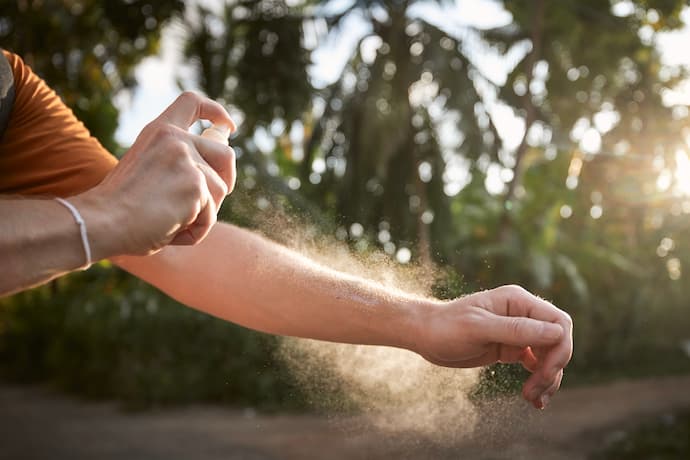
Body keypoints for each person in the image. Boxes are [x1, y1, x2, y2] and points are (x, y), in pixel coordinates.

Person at [0, 50, 572, 410]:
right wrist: (103, 218)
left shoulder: (14, 92)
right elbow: (112, 219)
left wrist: (424, 319)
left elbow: (185, 251)